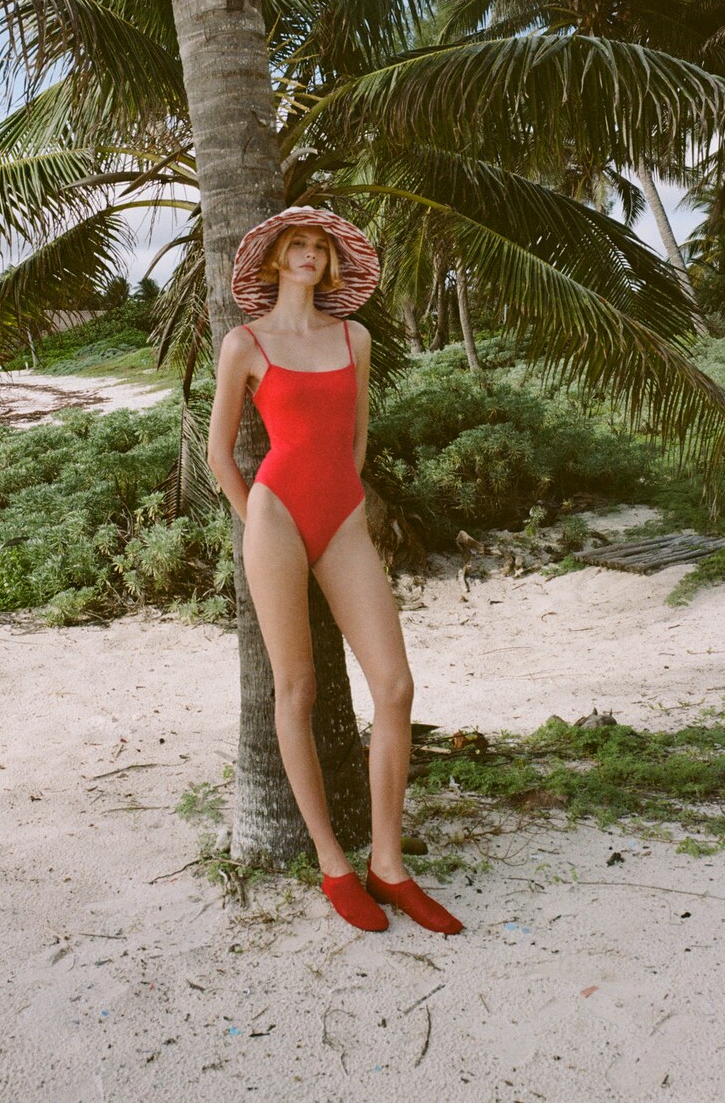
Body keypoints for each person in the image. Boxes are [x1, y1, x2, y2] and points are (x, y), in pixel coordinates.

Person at [207, 206, 463, 935]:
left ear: (332, 262)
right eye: (298, 245)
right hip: (275, 517)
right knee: (298, 689)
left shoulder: (356, 336)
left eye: (320, 246)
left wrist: (342, 505)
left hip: (342, 518)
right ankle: (333, 863)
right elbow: (220, 453)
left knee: (394, 686)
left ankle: (389, 863)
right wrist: (258, 515)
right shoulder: (244, 343)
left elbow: (354, 442)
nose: (309, 254)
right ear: (273, 260)